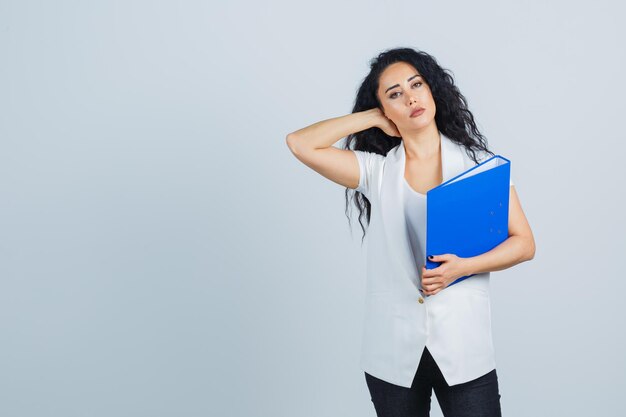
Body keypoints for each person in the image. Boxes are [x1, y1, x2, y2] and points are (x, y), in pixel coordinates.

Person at [286, 47, 535, 417]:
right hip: (392, 350)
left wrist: (462, 268)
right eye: (395, 94)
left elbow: (524, 244)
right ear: (385, 110)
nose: (411, 97)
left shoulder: (481, 166)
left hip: (464, 347)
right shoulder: (377, 171)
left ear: (433, 90)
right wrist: (369, 116)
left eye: (416, 84)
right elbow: (299, 143)